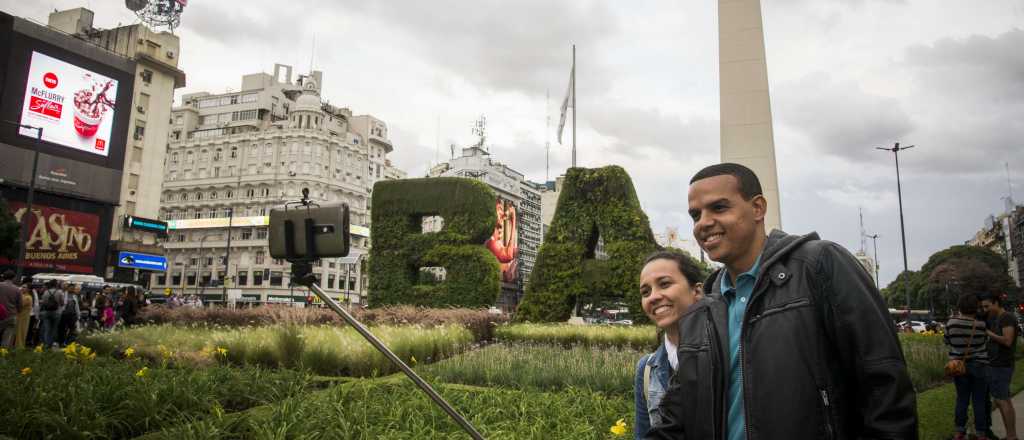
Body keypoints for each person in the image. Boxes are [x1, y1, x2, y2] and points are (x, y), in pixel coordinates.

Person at [649, 163, 917, 439]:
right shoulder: (702, 310)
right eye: (695, 215)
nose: (703, 223)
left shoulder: (820, 266)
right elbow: (679, 417)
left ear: (758, 208)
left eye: (718, 208)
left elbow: (885, 387)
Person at [634, 251, 705, 439]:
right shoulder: (647, 369)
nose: (653, 297)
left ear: (697, 291)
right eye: (645, 292)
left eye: (664, 284)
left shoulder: (728, 351)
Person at [945, 293, 992, 440]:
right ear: (975, 308)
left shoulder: (951, 323)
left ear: (960, 306)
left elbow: (947, 341)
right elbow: (985, 341)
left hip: (959, 366)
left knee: (962, 399)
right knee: (979, 400)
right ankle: (981, 433)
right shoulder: (981, 325)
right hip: (980, 365)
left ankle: (959, 431)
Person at [981, 293, 1018, 440]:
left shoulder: (1006, 317)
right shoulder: (997, 318)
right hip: (997, 364)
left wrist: (988, 333)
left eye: (987, 306)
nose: (984, 309)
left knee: (1002, 401)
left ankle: (1011, 436)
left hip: (1001, 365)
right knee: (1003, 400)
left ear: (996, 303)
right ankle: (1011, 435)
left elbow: (1007, 341)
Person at [38, 279, 65, 347]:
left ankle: (46, 343)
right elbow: (62, 303)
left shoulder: (46, 292)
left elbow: (43, 302)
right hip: (56, 313)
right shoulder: (59, 292)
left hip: (46, 312)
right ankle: (50, 343)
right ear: (56, 284)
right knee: (54, 329)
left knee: (47, 329)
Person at [0, 270, 21, 348]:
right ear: (13, 278)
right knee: (7, 339)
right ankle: (3, 355)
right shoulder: (17, 289)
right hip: (11, 316)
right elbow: (19, 305)